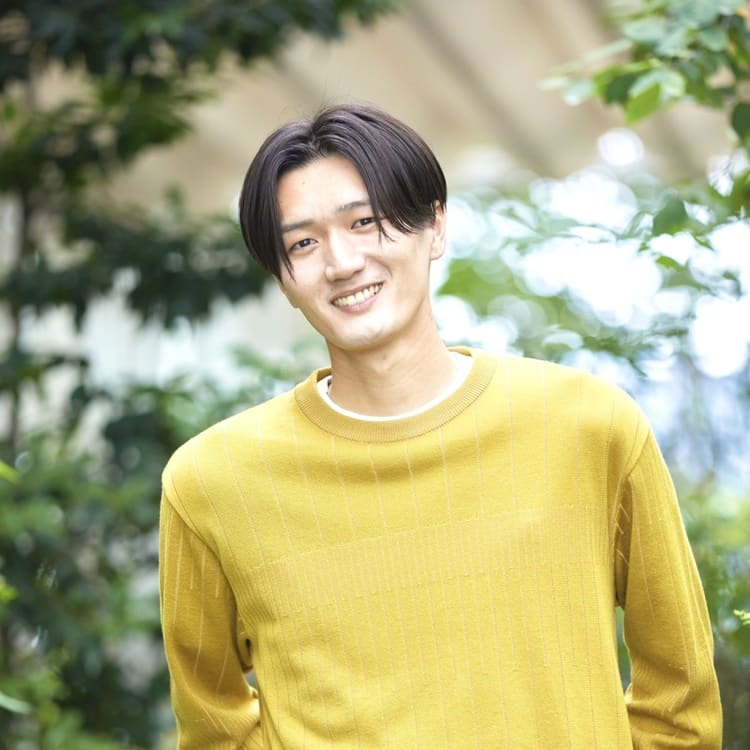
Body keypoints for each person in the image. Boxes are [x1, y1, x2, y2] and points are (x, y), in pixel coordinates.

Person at [158, 103, 722, 749]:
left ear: (436, 225)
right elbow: (214, 726)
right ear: (281, 277)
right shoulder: (212, 482)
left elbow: (681, 701)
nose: (341, 262)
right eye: (303, 243)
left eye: (365, 222)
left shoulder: (590, 426)